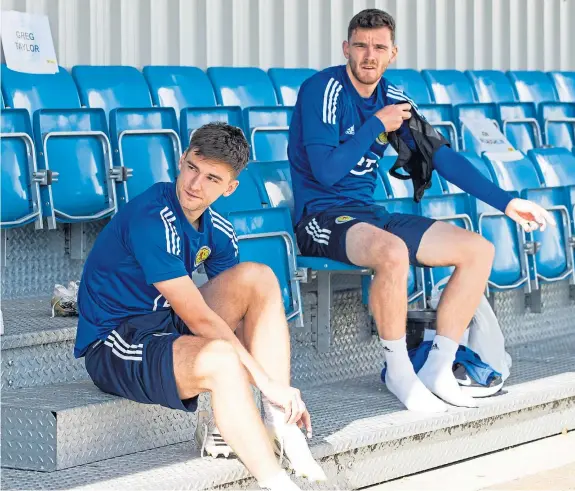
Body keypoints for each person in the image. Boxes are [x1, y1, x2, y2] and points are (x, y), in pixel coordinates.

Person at [288, 9, 555, 413]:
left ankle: (438, 366)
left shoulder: (394, 99)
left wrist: (507, 200)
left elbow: (442, 157)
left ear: (392, 53)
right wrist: (375, 125)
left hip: (368, 214)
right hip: (322, 217)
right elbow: (326, 173)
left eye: (379, 47)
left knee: (478, 250)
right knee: (392, 252)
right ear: (346, 48)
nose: (369, 55)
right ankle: (399, 372)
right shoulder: (322, 90)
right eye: (360, 45)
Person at [74, 123, 326, 490]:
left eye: (211, 178)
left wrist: (257, 393)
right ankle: (276, 482)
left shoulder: (218, 229)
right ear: (181, 160)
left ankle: (279, 422)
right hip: (117, 343)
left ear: (229, 188)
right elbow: (198, 317)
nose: (195, 184)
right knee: (223, 360)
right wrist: (264, 381)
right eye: (192, 167)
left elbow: (235, 313)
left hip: (166, 326)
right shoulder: (152, 218)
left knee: (258, 277)